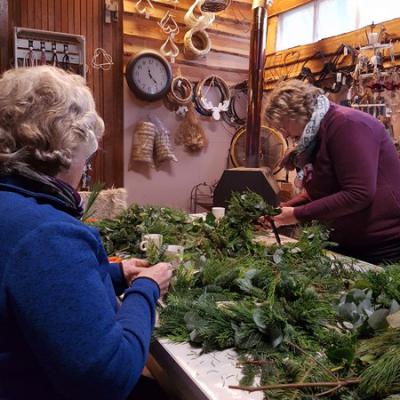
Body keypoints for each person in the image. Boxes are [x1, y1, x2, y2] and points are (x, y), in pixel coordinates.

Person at [0, 66, 173, 399]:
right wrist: (147, 288)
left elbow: (31, 283)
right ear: (62, 152)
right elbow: (109, 378)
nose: (85, 168)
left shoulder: (12, 207)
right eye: (85, 158)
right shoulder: (48, 233)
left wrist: (114, 272)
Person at [262, 79, 400, 265]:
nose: (285, 134)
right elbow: (322, 193)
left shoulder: (347, 125)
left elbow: (359, 193)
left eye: (283, 126)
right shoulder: (314, 137)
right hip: (345, 242)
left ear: (297, 114)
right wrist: (282, 210)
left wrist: (296, 214)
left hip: (381, 247)